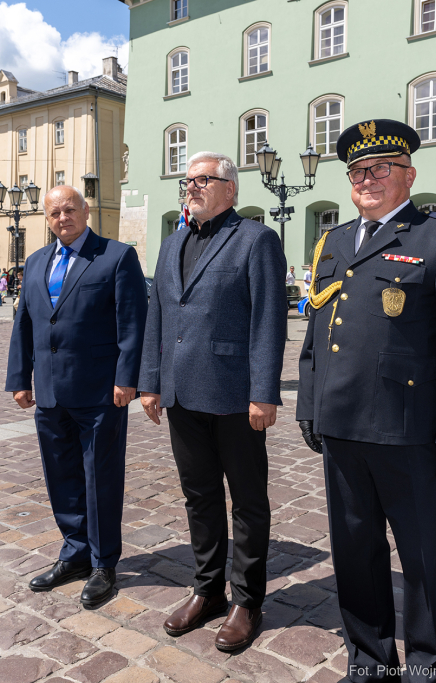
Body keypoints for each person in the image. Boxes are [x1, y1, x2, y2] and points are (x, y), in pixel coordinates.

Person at [297, 120, 436, 680]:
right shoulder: (332, 241)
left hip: (410, 433)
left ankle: (428, 664)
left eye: (381, 168)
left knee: (423, 558)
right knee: (354, 554)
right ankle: (370, 657)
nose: (367, 179)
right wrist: (310, 403)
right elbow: (316, 332)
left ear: (409, 175)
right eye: (358, 171)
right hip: (342, 427)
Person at [139, 151, 286, 652]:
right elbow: (157, 314)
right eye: (188, 181)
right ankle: (207, 591)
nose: (192, 187)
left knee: (247, 501)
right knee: (199, 496)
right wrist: (150, 381)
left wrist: (264, 392)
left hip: (233, 394)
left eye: (202, 179)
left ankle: (247, 600)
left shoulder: (255, 239)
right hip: (182, 394)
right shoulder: (172, 242)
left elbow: (269, 319)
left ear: (230, 188)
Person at [6, 185, 147, 607]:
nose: (62, 218)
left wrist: (128, 379)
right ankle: (75, 553)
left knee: (99, 477)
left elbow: (133, 323)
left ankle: (104, 562)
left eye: (70, 209)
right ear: (46, 219)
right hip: (49, 391)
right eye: (54, 213)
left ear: (86, 211)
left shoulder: (116, 256)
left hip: (100, 390)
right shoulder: (35, 263)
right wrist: (20, 378)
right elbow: (25, 324)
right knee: (61, 475)